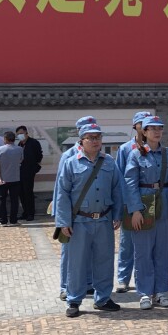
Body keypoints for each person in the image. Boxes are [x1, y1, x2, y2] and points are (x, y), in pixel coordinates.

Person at [54, 121, 124, 318]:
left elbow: (117, 190)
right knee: (77, 262)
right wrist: (63, 221)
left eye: (98, 137)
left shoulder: (109, 162)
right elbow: (63, 194)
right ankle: (74, 300)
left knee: (104, 260)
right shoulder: (71, 163)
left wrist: (118, 214)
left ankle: (102, 298)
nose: (95, 141)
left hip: (103, 220)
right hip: (80, 222)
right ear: (81, 141)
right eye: (90, 138)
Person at [124, 115, 168, 309]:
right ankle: (144, 292)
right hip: (144, 204)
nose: (156, 131)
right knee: (143, 251)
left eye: (159, 128)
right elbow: (130, 183)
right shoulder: (136, 154)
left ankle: (161, 291)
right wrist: (135, 210)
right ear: (144, 132)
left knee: (163, 250)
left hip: (163, 203)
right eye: (152, 128)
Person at [55, 116, 97, 301]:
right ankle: (66, 286)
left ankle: (87, 283)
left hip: (91, 213)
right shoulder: (69, 155)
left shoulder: (99, 156)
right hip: (72, 213)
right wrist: (61, 218)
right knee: (69, 252)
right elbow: (60, 188)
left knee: (88, 251)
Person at [114, 111, 151, 293]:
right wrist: (124, 204)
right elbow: (120, 178)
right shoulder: (125, 149)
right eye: (141, 124)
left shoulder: (155, 146)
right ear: (135, 127)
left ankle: (144, 278)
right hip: (130, 202)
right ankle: (123, 278)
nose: (144, 127)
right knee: (127, 242)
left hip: (151, 203)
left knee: (147, 243)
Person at [0, 131, 23, 226]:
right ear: (14, 139)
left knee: (2, 200)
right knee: (14, 200)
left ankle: (3, 221)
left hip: (2, 178)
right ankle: (14, 220)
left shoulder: (0, 149)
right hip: (15, 178)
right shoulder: (19, 149)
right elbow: (21, 160)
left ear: (5, 139)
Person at [16, 125, 43, 221]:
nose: (20, 135)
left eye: (21, 133)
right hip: (20, 171)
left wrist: (36, 168)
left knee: (28, 192)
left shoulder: (33, 143)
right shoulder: (19, 144)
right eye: (18, 134)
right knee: (21, 192)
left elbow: (39, 156)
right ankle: (25, 212)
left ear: (26, 133)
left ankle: (31, 213)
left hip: (29, 171)